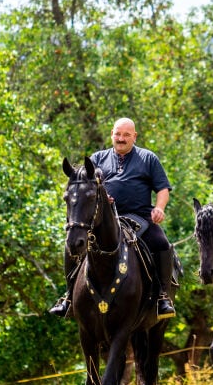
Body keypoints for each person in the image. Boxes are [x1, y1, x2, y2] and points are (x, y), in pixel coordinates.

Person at [50, 117, 177, 319]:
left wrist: (159, 208)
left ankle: (162, 297)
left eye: (126, 135)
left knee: (162, 243)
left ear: (134, 136)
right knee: (71, 245)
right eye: (118, 134)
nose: (121, 138)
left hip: (140, 218)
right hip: (103, 221)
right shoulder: (97, 159)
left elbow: (162, 189)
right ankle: (68, 297)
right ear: (112, 134)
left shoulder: (148, 158)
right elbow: (87, 186)